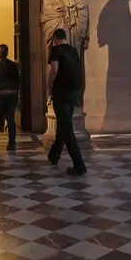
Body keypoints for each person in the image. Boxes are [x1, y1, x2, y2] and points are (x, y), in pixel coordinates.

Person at [46, 28, 87, 175]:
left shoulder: (56, 50)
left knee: (67, 129)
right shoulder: (73, 50)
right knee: (64, 124)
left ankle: (79, 165)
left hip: (61, 93)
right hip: (74, 92)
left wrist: (49, 83)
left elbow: (55, 69)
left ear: (55, 38)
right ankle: (54, 155)